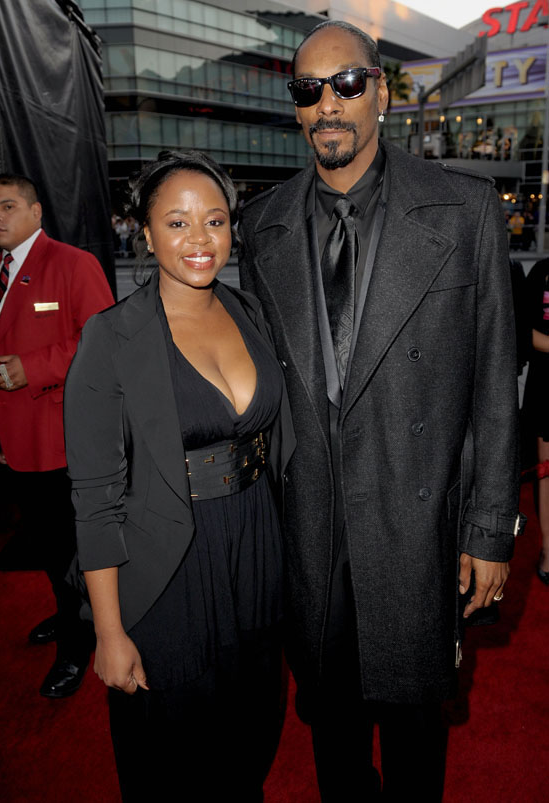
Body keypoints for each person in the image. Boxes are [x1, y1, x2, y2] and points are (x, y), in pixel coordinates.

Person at [238, 20, 523, 802]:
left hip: (415, 522)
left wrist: (490, 529)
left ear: (382, 94)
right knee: (330, 730)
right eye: (309, 90)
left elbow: (497, 380)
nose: (327, 105)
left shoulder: (465, 213)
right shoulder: (260, 227)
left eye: (347, 85)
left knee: (414, 734)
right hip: (312, 530)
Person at [64, 150, 295, 802]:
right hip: (169, 569)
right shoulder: (111, 338)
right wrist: (108, 632)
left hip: (256, 550)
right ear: (144, 231)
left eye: (215, 220)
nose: (200, 240)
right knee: (171, 757)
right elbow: (94, 497)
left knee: (251, 732)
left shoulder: (250, 310)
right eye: (177, 222)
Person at [0, 173, 114, 697]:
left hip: (58, 439)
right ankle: (68, 615)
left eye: (7, 206)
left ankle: (78, 640)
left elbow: (103, 339)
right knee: (46, 546)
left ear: (36, 211)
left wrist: (34, 367)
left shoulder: (72, 264)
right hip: (12, 440)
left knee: (70, 548)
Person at [521, 257, 549, 584]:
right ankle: (547, 551)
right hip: (546, 389)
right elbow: (522, 330)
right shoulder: (541, 272)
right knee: (547, 473)